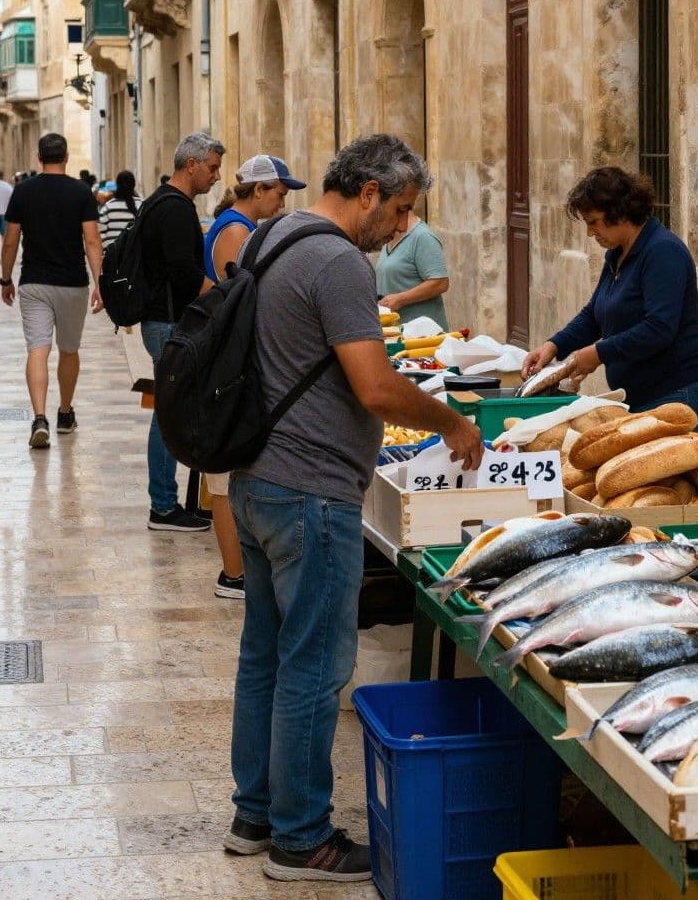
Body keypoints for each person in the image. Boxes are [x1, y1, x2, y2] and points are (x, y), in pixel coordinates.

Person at [224, 134, 482, 883]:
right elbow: (373, 386)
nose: (399, 227)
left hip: (258, 477)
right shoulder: (337, 259)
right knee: (315, 664)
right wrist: (451, 421)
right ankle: (302, 838)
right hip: (311, 490)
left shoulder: (275, 234)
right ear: (367, 191)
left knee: (265, 653)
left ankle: (256, 813)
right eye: (398, 209)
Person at [521, 166, 698, 430]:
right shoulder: (617, 255)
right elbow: (594, 315)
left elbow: (659, 328)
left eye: (593, 221)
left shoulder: (663, 252)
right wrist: (554, 346)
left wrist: (599, 353)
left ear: (620, 211)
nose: (590, 232)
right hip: (639, 397)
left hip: (676, 395)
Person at [201, 155, 307, 599]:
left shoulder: (233, 224)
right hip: (229, 363)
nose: (282, 203)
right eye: (280, 194)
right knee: (225, 480)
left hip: (226, 360)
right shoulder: (237, 231)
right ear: (259, 190)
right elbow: (238, 299)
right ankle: (234, 574)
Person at [141, 132, 224, 535]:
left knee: (167, 412)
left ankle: (167, 502)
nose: (216, 177)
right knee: (167, 415)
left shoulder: (163, 201)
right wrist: (228, 294)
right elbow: (185, 274)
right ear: (190, 165)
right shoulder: (174, 209)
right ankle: (163, 506)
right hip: (168, 323)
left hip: (163, 321)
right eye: (212, 168)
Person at [0, 133, 104, 449]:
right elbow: (92, 241)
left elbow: (10, 241)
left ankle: (39, 418)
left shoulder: (23, 192)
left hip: (34, 282)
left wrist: (6, 279)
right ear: (67, 156)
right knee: (69, 350)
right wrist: (101, 283)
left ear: (38, 156)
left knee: (37, 349)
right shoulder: (82, 192)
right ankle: (65, 413)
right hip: (73, 283)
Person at [376, 204, 450, 327]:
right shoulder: (390, 235)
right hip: (400, 332)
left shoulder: (423, 236)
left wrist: (400, 299)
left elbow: (440, 282)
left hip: (424, 334)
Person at [98, 169, 141, 249]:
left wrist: (107, 250)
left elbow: (100, 233)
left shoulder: (108, 207)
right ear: (133, 185)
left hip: (112, 256)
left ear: (117, 185)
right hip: (134, 256)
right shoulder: (141, 205)